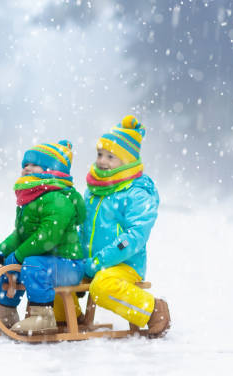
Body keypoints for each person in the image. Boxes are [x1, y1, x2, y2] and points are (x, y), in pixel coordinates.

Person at [0, 141, 86, 335]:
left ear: (51, 170)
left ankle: (43, 316)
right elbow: (20, 235)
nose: (27, 168)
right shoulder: (31, 199)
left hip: (68, 265)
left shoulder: (58, 199)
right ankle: (5, 313)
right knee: (7, 267)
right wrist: (1, 250)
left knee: (32, 264)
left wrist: (18, 256)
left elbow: (47, 237)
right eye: (24, 165)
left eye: (34, 164)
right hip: (48, 263)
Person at [79, 115, 170, 337]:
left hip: (125, 264)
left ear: (127, 161)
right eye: (100, 154)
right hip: (90, 263)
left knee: (101, 286)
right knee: (56, 270)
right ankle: (67, 317)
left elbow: (135, 236)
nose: (102, 161)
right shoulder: (93, 190)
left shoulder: (136, 194)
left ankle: (152, 310)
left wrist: (100, 261)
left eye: (111, 157)